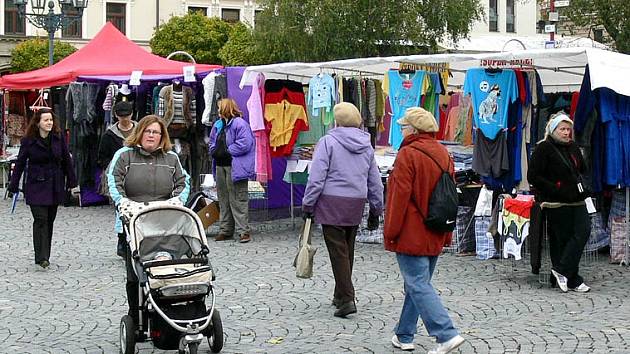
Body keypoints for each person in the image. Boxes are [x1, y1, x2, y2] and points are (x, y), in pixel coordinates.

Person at [384, 107, 464, 353]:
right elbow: (449, 197)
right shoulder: (443, 152)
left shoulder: (407, 154)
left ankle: (445, 333)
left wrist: (390, 233)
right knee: (418, 284)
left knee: (418, 284)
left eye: (403, 126)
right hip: (436, 229)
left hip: (412, 230)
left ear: (414, 129)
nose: (401, 130)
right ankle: (404, 334)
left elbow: (398, 199)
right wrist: (447, 234)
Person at [107, 114, 190, 327]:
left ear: (162, 136)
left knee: (168, 265)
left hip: (165, 222)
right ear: (140, 132)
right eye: (148, 131)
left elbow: (183, 182)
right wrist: (123, 203)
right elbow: (114, 181)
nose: (151, 135)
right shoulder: (124, 155)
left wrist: (178, 200)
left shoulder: (171, 158)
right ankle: (135, 315)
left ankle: (170, 311)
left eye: (156, 132)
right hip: (133, 221)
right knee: (135, 274)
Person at [302, 102, 384, 318]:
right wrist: (376, 208)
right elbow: (375, 181)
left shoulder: (328, 142)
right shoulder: (366, 145)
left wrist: (308, 204)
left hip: (331, 203)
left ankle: (347, 299)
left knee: (338, 253)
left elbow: (317, 177)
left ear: (337, 121)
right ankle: (340, 294)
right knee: (347, 250)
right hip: (355, 203)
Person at [528, 112, 591, 293]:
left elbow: (582, 169)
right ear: (553, 130)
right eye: (562, 129)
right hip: (556, 201)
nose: (566, 133)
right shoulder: (544, 148)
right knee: (560, 240)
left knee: (582, 232)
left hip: (577, 199)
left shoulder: (572, 146)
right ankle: (572, 279)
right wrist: (555, 188)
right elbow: (533, 176)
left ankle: (560, 271)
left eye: (568, 130)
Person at [8, 108, 77, 269]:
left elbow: (67, 160)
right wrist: (13, 185)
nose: (49, 123)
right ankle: (41, 256)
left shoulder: (58, 139)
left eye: (51, 120)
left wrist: (73, 183)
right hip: (36, 184)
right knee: (40, 220)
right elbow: (20, 163)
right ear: (38, 122)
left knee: (49, 220)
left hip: (54, 184)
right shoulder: (28, 140)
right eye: (46, 120)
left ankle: (46, 253)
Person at [208, 98, 255, 243]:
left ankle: (243, 231)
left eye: (219, 108)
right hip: (221, 166)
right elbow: (211, 141)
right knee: (223, 199)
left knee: (238, 199)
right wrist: (214, 150)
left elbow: (246, 143)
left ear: (225, 109)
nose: (217, 111)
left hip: (235, 167)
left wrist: (227, 150)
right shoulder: (218, 124)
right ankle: (226, 230)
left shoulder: (239, 123)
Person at [97, 100, 137, 257]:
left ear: (132, 115)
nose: (125, 119)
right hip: (117, 176)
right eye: (121, 116)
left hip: (137, 174)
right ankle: (122, 240)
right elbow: (101, 157)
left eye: (127, 116)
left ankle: (135, 240)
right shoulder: (109, 134)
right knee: (121, 210)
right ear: (116, 116)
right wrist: (114, 166)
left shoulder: (140, 130)